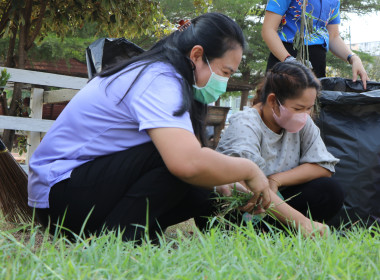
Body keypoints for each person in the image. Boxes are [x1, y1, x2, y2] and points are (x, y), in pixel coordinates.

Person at [28, 13, 272, 242]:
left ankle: (143, 233)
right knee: (178, 163)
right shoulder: (159, 79)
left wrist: (221, 180)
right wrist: (248, 170)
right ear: (197, 55)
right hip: (61, 196)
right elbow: (185, 162)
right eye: (225, 72)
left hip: (80, 189)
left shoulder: (165, 77)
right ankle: (117, 239)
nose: (225, 81)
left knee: (204, 189)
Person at [217, 61, 344, 231]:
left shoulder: (302, 121)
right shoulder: (246, 123)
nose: (305, 115)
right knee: (244, 202)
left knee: (329, 191)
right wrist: (302, 222)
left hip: (276, 200)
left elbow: (322, 167)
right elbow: (244, 181)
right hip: (243, 206)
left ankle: (277, 233)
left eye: (309, 108)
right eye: (299, 108)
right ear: (273, 101)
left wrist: (276, 180)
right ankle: (282, 230)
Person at [262, 0, 370, 89]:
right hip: (285, 60)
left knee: (312, 111)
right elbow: (268, 30)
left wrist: (353, 58)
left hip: (317, 63)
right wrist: (289, 60)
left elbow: (333, 37)